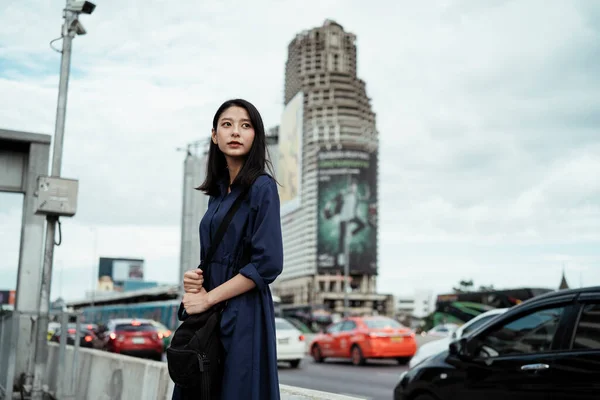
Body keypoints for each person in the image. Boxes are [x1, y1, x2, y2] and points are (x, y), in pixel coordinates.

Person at [173, 99, 283, 400]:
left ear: (255, 136)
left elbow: (268, 264)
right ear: (214, 135)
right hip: (212, 314)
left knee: (235, 390)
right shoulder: (218, 195)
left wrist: (208, 298)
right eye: (227, 124)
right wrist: (195, 281)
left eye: (245, 125)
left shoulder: (262, 187)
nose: (236, 132)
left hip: (244, 313)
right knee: (199, 385)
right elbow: (213, 255)